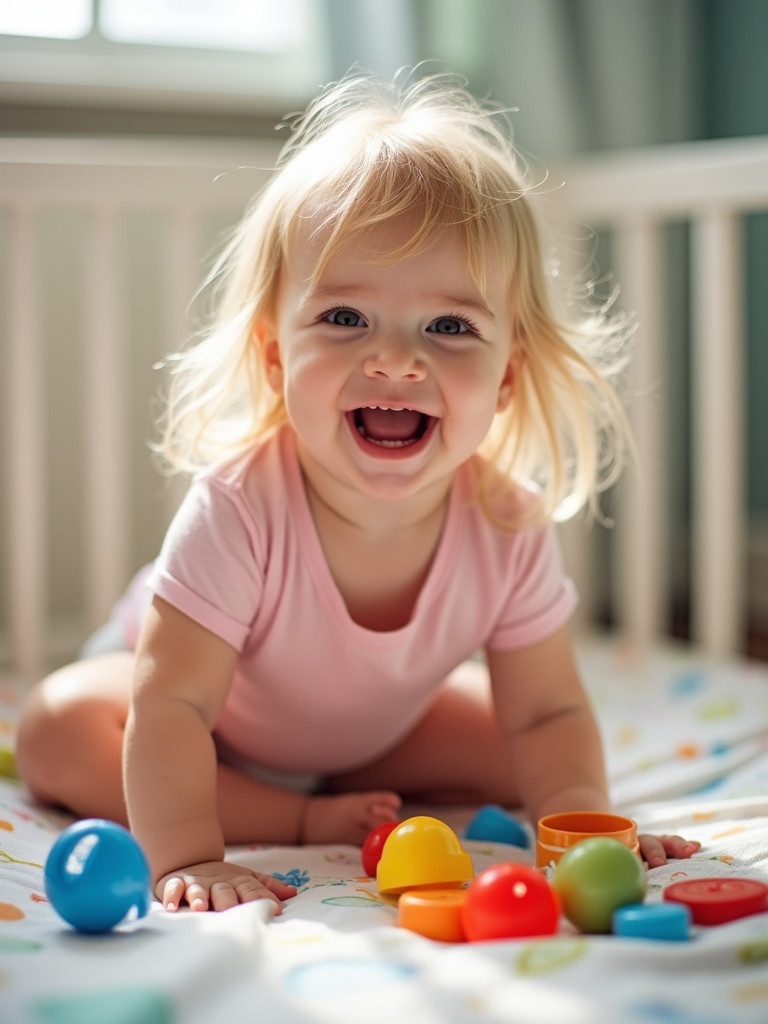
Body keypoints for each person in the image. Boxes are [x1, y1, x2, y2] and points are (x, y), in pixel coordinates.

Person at [16, 70, 699, 916]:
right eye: (345, 318)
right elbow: (174, 703)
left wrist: (577, 827)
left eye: (450, 328)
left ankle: (352, 787)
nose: (396, 360)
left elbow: (548, 713)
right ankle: (298, 813)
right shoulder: (240, 505)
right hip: (200, 724)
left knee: (528, 740)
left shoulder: (505, 521)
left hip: (373, 734)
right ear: (274, 357)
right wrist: (190, 855)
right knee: (56, 726)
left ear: (508, 378)